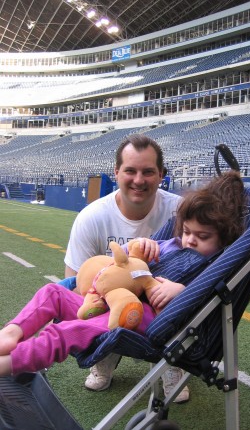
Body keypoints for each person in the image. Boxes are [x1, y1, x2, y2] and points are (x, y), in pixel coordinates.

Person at [0, 171, 246, 392]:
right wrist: (142, 246)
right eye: (187, 231)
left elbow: (212, 298)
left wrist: (182, 291)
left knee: (68, 331)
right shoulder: (170, 245)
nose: (190, 240)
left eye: (202, 237)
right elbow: (122, 261)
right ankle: (12, 332)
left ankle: (11, 362)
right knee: (52, 292)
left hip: (141, 316)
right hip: (109, 301)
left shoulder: (215, 263)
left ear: (222, 239)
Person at [60, 133, 188, 402]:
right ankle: (106, 353)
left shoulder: (181, 212)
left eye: (148, 172)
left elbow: (203, 261)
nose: (139, 180)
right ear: (116, 172)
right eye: (130, 171)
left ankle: (170, 362)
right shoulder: (92, 218)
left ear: (161, 174)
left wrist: (179, 290)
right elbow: (74, 282)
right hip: (111, 303)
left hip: (162, 300)